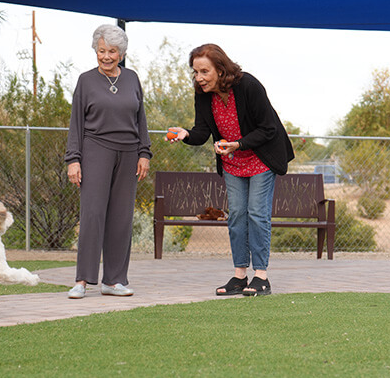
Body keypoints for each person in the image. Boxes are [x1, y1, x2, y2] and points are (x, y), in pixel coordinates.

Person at [168, 43, 294, 296]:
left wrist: (238, 143)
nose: (199, 78)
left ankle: (261, 277)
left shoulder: (248, 85)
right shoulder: (203, 94)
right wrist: (186, 134)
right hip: (233, 162)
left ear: (220, 69)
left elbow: (269, 128)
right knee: (236, 215)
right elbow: (202, 132)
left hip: (261, 157)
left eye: (204, 71)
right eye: (195, 72)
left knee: (256, 214)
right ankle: (239, 276)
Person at [65, 24, 151, 299]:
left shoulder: (132, 79)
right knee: (92, 214)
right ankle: (82, 280)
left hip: (129, 153)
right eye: (101, 51)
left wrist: (144, 153)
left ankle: (114, 281)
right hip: (95, 149)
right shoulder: (86, 80)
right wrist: (73, 159)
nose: (106, 56)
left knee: (121, 218)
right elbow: (75, 123)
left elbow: (141, 120)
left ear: (121, 53)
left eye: (112, 51)